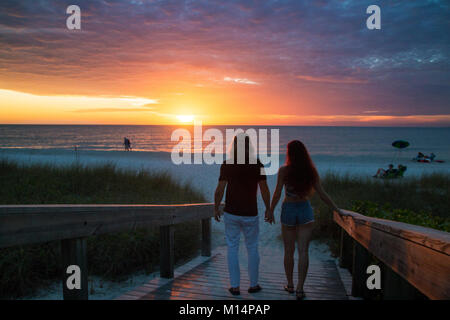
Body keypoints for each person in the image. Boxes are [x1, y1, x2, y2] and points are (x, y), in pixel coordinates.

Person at [268, 140, 342, 300]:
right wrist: (336, 209)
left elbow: (277, 193)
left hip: (288, 209)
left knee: (289, 251)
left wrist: (270, 210)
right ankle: (300, 289)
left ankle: (290, 285)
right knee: (303, 251)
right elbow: (322, 194)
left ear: (289, 153)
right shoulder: (311, 171)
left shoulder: (284, 170)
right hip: (305, 209)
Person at [213, 133, 271, 296]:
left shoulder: (227, 164)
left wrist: (216, 208)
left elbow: (219, 190)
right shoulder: (257, 163)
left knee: (232, 247)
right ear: (249, 146)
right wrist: (269, 209)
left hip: (231, 212)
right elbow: (264, 189)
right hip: (250, 213)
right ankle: (253, 285)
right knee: (252, 247)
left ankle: (235, 286)